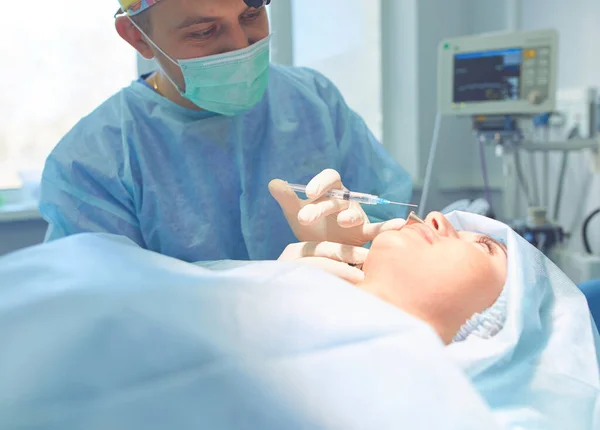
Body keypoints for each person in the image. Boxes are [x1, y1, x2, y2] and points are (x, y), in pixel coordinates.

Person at [38, 0, 412, 266]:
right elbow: (104, 313)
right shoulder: (91, 161)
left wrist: (362, 243)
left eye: (252, 14)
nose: (239, 44)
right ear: (137, 37)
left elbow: (394, 231)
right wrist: (263, 287)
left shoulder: (315, 102)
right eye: (203, 31)